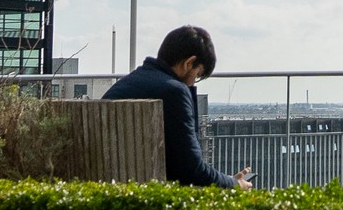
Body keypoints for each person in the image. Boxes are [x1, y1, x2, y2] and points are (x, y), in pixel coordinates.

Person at [102, 25, 253, 189]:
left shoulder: (126, 84)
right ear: (189, 63)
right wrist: (234, 184)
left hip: (110, 189)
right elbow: (192, 170)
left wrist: (229, 180)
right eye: (198, 75)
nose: (193, 83)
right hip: (150, 195)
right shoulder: (174, 92)